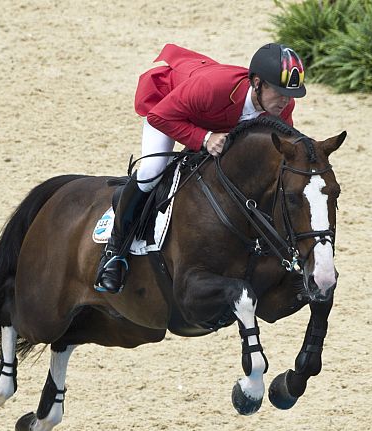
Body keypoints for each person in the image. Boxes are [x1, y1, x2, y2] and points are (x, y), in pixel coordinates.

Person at [94, 42, 306, 294]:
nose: (286, 100)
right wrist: (204, 138)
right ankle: (115, 252)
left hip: (215, 123)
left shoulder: (282, 107)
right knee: (152, 172)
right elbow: (158, 117)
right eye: (280, 92)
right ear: (257, 83)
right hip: (170, 109)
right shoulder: (213, 88)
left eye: (290, 94)